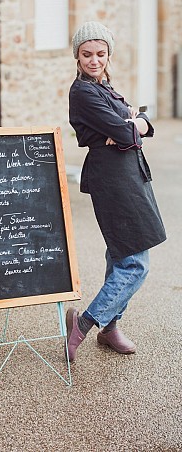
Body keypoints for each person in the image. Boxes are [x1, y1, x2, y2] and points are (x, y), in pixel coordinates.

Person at [67, 21, 166, 362]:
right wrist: (127, 126)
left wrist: (132, 123)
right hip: (113, 183)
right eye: (86, 55)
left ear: (108, 55)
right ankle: (84, 324)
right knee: (135, 263)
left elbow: (142, 122)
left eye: (100, 54)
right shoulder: (82, 92)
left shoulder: (105, 86)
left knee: (119, 257)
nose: (93, 60)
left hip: (130, 177)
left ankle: (109, 328)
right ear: (77, 57)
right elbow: (126, 133)